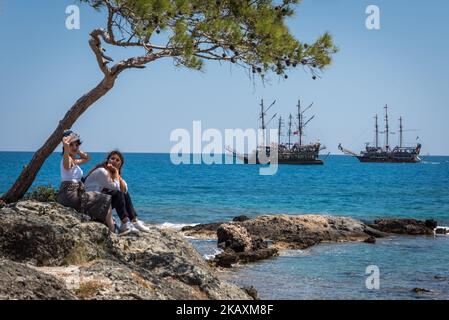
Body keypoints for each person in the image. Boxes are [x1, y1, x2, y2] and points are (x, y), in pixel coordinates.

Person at [57, 130, 115, 232]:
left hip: (69, 195)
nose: (75, 147)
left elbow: (87, 158)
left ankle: (110, 227)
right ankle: (112, 230)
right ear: (66, 146)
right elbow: (66, 166)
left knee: (99, 198)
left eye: (77, 144)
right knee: (105, 199)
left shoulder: (73, 160)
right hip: (70, 195)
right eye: (72, 145)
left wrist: (75, 150)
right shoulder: (68, 160)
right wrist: (67, 149)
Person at [84, 150, 149, 235]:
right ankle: (125, 222)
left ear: (120, 164)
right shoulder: (101, 171)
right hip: (91, 206)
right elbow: (117, 188)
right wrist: (117, 172)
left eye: (117, 160)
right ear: (108, 160)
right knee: (118, 193)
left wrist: (117, 174)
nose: (114, 161)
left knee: (124, 192)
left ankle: (134, 221)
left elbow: (125, 189)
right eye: (112, 158)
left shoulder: (112, 174)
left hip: (100, 203)